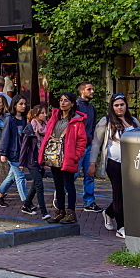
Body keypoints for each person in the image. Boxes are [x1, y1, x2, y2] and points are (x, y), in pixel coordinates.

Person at [89, 95, 140, 239]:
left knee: (129, 194)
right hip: (114, 162)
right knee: (118, 193)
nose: (119, 108)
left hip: (132, 163)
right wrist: (92, 163)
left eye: (122, 105)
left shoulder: (133, 121)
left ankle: (109, 212)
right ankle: (121, 226)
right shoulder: (106, 121)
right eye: (116, 105)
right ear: (112, 107)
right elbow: (96, 143)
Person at [39, 93, 88, 224]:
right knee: (58, 185)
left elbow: (82, 141)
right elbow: (48, 134)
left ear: (72, 103)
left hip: (68, 157)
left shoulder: (77, 121)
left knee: (69, 185)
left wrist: (75, 156)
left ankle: (71, 212)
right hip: (55, 156)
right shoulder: (55, 118)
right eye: (61, 100)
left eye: (66, 101)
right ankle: (60, 211)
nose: (62, 103)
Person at [0, 95, 29, 207]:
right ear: (14, 105)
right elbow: (5, 136)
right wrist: (3, 153)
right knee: (20, 177)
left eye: (24, 104)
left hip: (21, 152)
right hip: (12, 152)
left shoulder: (24, 119)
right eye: (20, 104)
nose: (23, 106)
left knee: (12, 177)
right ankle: (26, 202)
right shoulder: (9, 119)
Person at [19, 104, 50, 219]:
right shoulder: (30, 127)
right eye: (42, 113)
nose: (45, 115)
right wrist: (21, 163)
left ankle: (26, 205)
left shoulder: (47, 127)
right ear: (36, 115)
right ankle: (44, 212)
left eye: (45, 113)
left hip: (42, 160)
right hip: (32, 160)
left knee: (34, 185)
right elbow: (24, 146)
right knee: (39, 185)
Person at [76, 81, 100, 212]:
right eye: (89, 89)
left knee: (89, 174)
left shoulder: (92, 108)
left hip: (88, 145)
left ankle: (89, 202)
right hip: (77, 146)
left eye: (92, 89)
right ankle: (61, 195)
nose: (92, 92)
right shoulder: (76, 106)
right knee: (72, 174)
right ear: (82, 91)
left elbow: (93, 125)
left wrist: (92, 139)